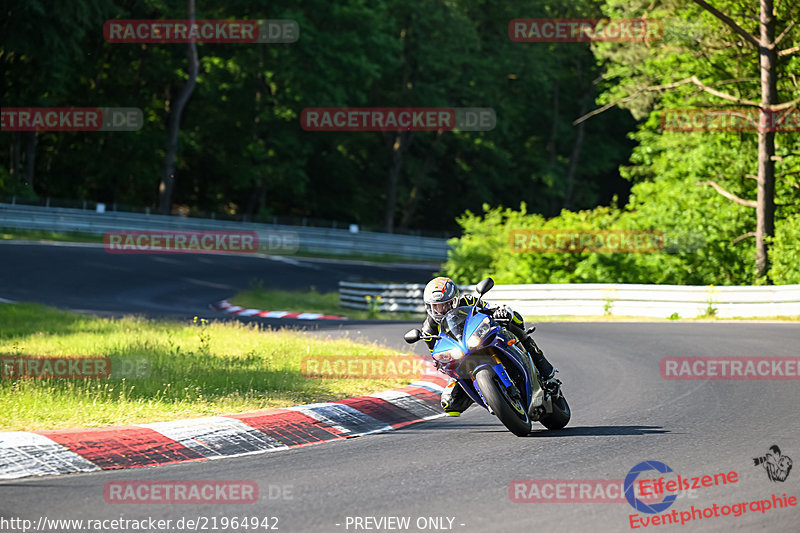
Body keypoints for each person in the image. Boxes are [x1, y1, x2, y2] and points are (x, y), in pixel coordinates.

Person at [421, 276, 560, 416]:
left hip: (481, 338)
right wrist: (441, 361)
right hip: (461, 356)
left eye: (446, 304)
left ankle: (541, 362)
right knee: (449, 403)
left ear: (455, 299)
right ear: (429, 307)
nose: (442, 309)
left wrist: (500, 312)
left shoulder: (468, 301)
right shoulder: (428, 330)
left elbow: (490, 308)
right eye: (436, 307)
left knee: (512, 318)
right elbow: (437, 353)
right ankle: (488, 396)